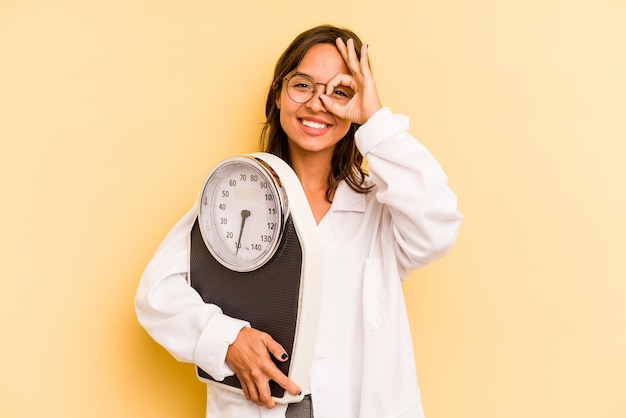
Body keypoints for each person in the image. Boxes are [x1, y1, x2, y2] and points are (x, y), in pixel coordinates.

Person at [135, 24, 462, 418]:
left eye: (339, 92)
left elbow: (440, 224)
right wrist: (225, 339)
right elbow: (157, 295)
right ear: (278, 93)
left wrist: (375, 121)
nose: (319, 104)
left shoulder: (384, 208)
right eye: (303, 85)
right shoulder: (236, 192)